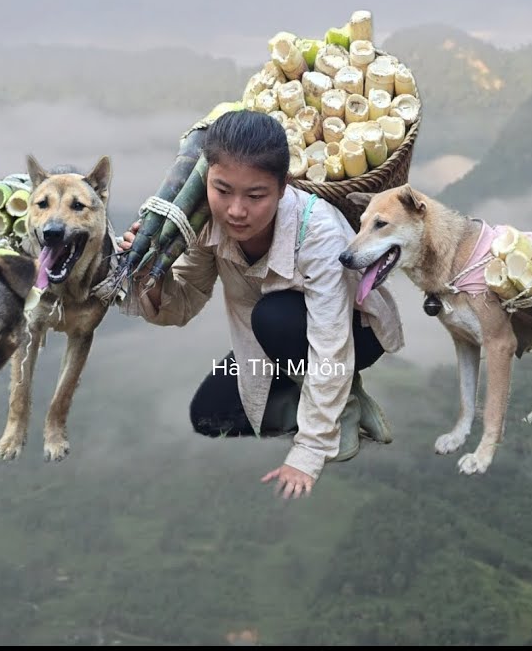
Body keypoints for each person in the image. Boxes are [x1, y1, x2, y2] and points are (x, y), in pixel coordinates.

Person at [118, 110, 404, 499]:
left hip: (350, 336)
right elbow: (182, 303)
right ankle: (333, 397)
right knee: (209, 414)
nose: (236, 210)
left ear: (283, 187)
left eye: (256, 196)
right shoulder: (205, 223)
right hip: (271, 343)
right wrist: (150, 272)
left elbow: (330, 342)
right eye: (222, 190)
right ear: (207, 182)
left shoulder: (318, 232)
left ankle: (343, 411)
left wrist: (308, 451)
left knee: (273, 317)